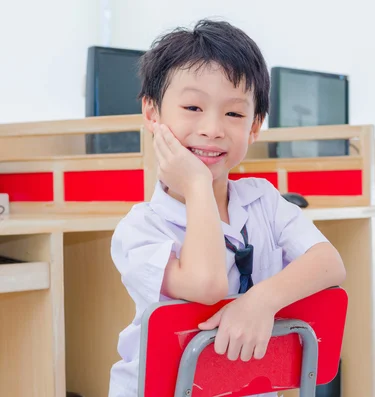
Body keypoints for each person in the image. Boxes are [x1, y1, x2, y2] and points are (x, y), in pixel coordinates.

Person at [108, 18, 346, 397]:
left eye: (234, 114)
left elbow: (330, 262)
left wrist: (262, 301)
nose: (213, 128)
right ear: (153, 114)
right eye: (192, 107)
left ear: (255, 126)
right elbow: (207, 286)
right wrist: (199, 186)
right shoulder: (140, 230)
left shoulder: (263, 200)